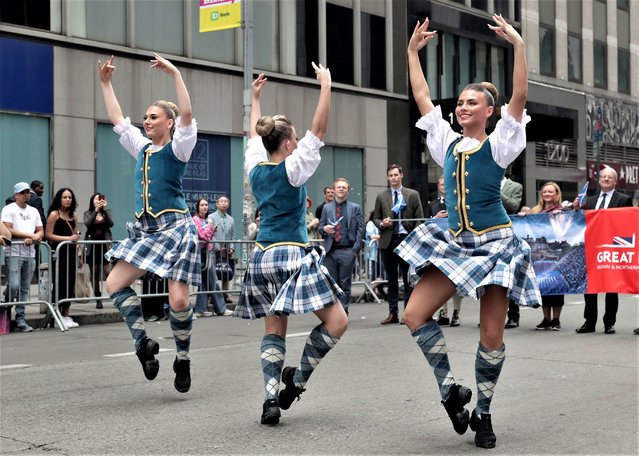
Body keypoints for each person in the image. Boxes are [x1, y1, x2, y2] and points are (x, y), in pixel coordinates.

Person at [399, 16, 540, 449]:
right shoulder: (445, 141)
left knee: (491, 336)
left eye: (471, 103)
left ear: (488, 112)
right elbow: (422, 97)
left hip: (496, 245)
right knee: (413, 315)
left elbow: (519, 95)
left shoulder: (499, 143)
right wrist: (411, 53)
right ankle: (450, 391)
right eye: (459, 103)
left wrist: (517, 45)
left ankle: (484, 411)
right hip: (457, 244)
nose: (462, 107)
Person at [235, 68, 347, 426]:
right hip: (293, 253)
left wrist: (255, 100)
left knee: (273, 329)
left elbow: (256, 136)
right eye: (294, 139)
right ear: (285, 144)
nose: (298, 142)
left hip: (263, 255)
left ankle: (270, 398)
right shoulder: (294, 169)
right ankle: (297, 380)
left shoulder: (255, 168)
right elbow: (320, 130)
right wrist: (326, 86)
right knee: (337, 321)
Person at [98, 53, 200, 392]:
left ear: (168, 123)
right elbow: (117, 118)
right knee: (113, 284)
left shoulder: (180, 147)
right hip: (147, 231)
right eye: (145, 117)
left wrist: (175, 73)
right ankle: (143, 345)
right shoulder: (141, 148)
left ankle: (182, 359)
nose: (147, 121)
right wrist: (106, 83)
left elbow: (186, 113)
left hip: (176, 228)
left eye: (153, 117)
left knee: (179, 301)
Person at [573, 166, 633, 334]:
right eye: (603, 177)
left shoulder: (624, 199)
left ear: (615, 181)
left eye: (610, 177)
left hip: (612, 247)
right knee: (590, 286)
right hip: (592, 247)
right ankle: (589, 322)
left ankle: (609, 323)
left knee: (611, 286)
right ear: (599, 180)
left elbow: (627, 223)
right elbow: (580, 223)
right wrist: (577, 209)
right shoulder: (589, 201)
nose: (606, 179)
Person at [373, 164, 424, 325]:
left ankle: (407, 313)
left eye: (396, 175)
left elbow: (419, 219)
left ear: (401, 175)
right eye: (391, 175)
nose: (393, 178)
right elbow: (375, 218)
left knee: (408, 279)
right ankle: (392, 313)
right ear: (388, 177)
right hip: (388, 241)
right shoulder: (382, 196)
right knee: (392, 280)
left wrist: (413, 237)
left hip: (406, 240)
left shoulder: (412, 195)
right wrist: (382, 224)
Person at [1, 182, 44, 332]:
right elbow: (8, 231)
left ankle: (20, 318)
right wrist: (30, 235)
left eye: (28, 192)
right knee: (13, 285)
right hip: (13, 252)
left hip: (29, 253)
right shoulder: (8, 209)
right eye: (24, 192)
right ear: (16, 195)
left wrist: (35, 238)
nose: (27, 195)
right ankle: (5, 306)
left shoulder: (34, 211)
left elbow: (40, 231)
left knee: (24, 288)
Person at [319, 178, 364, 314]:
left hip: (347, 250)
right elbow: (320, 227)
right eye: (338, 187)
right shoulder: (326, 208)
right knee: (332, 284)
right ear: (334, 190)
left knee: (345, 284)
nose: (341, 189)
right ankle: (334, 312)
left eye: (344, 187)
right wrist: (324, 229)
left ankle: (343, 312)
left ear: (348, 190)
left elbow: (361, 229)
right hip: (331, 251)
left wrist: (355, 249)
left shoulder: (355, 208)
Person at [527, 182, 565, 330]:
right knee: (542, 286)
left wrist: (560, 217)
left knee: (556, 286)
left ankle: (556, 319)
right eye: (545, 192)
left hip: (556, 252)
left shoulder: (562, 211)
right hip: (538, 256)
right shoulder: (536, 211)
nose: (547, 194)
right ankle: (546, 318)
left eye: (550, 192)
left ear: (557, 195)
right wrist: (524, 216)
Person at [429, 175, 462, 327]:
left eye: (445, 184)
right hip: (440, 246)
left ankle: (456, 312)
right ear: (438, 186)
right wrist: (435, 217)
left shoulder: (458, 201)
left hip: (456, 243)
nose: (443, 186)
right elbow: (428, 222)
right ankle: (444, 313)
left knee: (456, 280)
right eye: (441, 184)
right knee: (441, 279)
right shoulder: (433, 203)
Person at [45, 188, 82, 328]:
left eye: (70, 197)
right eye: (64, 197)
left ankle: (66, 314)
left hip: (71, 253)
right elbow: (48, 235)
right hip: (58, 253)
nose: (67, 200)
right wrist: (67, 238)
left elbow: (75, 237)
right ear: (59, 199)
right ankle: (57, 314)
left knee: (70, 283)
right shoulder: (55, 214)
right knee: (60, 283)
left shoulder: (74, 216)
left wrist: (80, 255)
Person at [192, 198, 231, 317]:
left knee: (205, 282)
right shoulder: (196, 219)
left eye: (206, 205)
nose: (205, 207)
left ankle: (200, 309)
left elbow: (207, 236)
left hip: (207, 251)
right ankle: (221, 308)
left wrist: (212, 230)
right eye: (202, 205)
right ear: (198, 207)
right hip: (201, 252)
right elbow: (202, 236)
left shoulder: (204, 220)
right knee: (213, 280)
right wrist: (210, 227)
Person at [501, 168, 524, 329]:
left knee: (511, 276)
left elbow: (513, 206)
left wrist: (494, 190)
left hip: (509, 235)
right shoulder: (482, 185)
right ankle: (490, 316)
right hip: (488, 234)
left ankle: (513, 315)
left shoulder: (515, 186)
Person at [83, 193, 114, 310]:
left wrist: (104, 211)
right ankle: (98, 299)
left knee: (109, 273)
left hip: (105, 247)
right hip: (92, 247)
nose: (98, 201)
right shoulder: (88, 213)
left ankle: (116, 296)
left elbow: (111, 224)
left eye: (100, 199)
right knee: (95, 274)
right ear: (92, 201)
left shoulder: (106, 212)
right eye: (96, 199)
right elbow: (87, 224)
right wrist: (96, 211)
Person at [209, 195, 235, 303]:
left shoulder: (231, 219)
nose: (224, 203)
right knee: (213, 273)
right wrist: (217, 247)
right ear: (217, 204)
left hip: (226, 251)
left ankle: (225, 294)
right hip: (215, 250)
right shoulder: (211, 217)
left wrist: (232, 248)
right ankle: (213, 296)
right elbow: (210, 234)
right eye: (222, 201)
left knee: (226, 271)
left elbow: (233, 235)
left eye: (226, 201)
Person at [365, 210, 385, 298]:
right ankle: (370, 290)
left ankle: (376, 290)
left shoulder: (380, 224)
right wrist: (384, 237)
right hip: (373, 251)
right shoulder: (370, 223)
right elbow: (371, 236)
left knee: (380, 272)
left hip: (379, 250)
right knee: (374, 273)